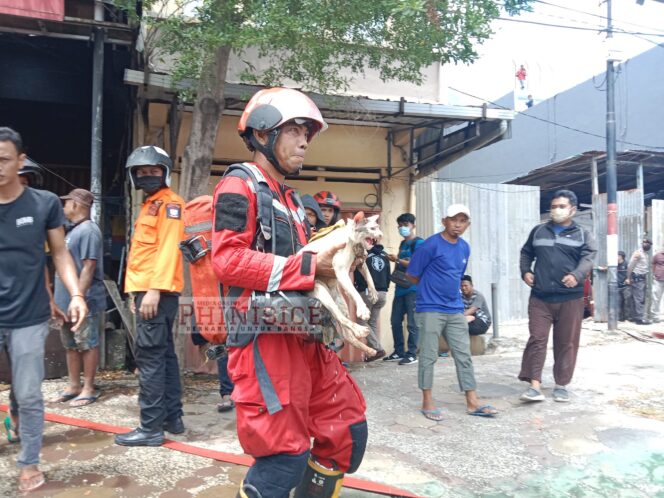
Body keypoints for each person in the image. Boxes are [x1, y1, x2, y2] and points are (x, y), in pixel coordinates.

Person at [211, 87, 368, 498]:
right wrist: (306, 267)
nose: (304, 142)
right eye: (295, 131)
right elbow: (226, 260)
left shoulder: (294, 202)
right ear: (263, 134)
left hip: (306, 334)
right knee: (283, 457)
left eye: (307, 134)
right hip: (265, 342)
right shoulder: (238, 185)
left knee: (347, 431)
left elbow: (312, 266)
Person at [0, 127, 88, 493]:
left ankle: (29, 463)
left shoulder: (44, 203)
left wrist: (76, 294)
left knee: (30, 390)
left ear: (21, 161)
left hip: (29, 316)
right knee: (21, 388)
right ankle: (17, 411)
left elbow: (60, 253)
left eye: (4, 158)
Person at [115, 145, 186, 447]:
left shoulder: (171, 204)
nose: (146, 176)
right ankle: (173, 418)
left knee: (150, 359)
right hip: (148, 291)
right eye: (141, 172)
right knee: (164, 356)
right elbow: (142, 255)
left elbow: (168, 249)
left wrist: (153, 290)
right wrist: (136, 292)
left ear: (165, 173)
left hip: (157, 292)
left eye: (152, 171)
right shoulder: (150, 206)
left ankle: (150, 428)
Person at [407, 204, 497, 421]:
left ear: (468, 224)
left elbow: (457, 275)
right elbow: (412, 274)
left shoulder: (464, 247)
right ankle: (427, 401)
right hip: (430, 308)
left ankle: (472, 401)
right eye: (453, 219)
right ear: (444, 221)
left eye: (463, 220)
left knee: (464, 355)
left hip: (455, 308)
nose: (458, 224)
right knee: (428, 355)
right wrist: (430, 291)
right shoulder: (430, 245)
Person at [519, 190, 597, 403]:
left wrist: (577, 275)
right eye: (553, 206)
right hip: (540, 297)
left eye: (561, 206)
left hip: (570, 298)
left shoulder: (583, 234)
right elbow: (526, 252)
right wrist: (526, 270)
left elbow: (588, 258)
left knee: (566, 342)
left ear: (572, 209)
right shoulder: (538, 231)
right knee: (537, 339)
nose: (556, 210)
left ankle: (561, 384)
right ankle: (534, 385)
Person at [49, 188, 105, 407]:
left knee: (87, 343)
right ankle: (73, 385)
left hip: (85, 300)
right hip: (67, 301)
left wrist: (78, 296)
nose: (64, 208)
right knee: (71, 344)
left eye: (66, 203)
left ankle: (89, 388)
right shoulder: (73, 231)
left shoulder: (89, 230)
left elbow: (89, 267)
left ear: (75, 204)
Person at [384, 213, 424, 365]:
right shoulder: (402, 244)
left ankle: (412, 353)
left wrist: (398, 260)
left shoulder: (419, 243)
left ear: (413, 225)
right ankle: (399, 351)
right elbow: (399, 266)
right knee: (395, 321)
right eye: (400, 225)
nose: (402, 227)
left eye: (405, 224)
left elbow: (418, 263)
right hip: (400, 288)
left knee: (413, 323)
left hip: (414, 289)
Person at [354, 242, 391, 361]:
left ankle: (378, 349)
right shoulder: (384, 255)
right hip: (383, 293)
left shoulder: (363, 256)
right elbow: (388, 274)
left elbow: (360, 273)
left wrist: (358, 288)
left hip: (368, 292)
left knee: (361, 320)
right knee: (372, 322)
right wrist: (384, 288)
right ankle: (373, 353)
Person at [625, 238, 652, 326]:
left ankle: (635, 317)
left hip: (643, 279)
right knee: (639, 299)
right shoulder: (638, 253)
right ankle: (639, 319)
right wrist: (628, 278)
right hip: (637, 279)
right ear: (642, 244)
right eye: (645, 243)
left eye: (648, 243)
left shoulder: (646, 254)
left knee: (640, 298)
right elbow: (630, 266)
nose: (646, 244)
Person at [650, 247, 664, 322]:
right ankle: (655, 317)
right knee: (656, 298)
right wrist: (654, 274)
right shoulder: (657, 255)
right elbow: (653, 264)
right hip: (658, 280)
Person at [617, 251, 632, 321]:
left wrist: (628, 279)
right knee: (619, 303)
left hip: (625, 287)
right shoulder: (615, 264)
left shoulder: (626, 264)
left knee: (627, 302)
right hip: (618, 286)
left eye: (617, 255)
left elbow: (631, 272)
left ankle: (628, 318)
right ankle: (620, 318)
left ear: (621, 256)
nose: (616, 257)